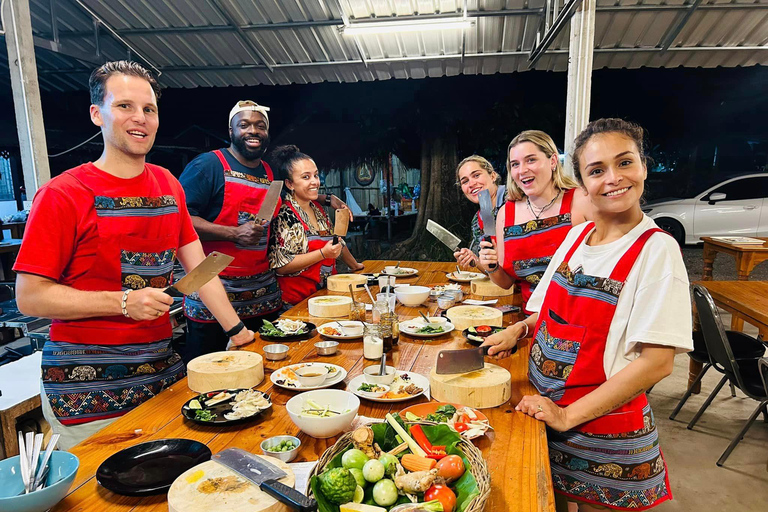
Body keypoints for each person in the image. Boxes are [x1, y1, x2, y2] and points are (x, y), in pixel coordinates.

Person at [13, 61, 254, 449]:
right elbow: (29, 296)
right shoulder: (63, 193)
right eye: (124, 106)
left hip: (162, 375)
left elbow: (201, 270)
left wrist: (237, 331)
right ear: (97, 114)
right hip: (87, 390)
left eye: (149, 109)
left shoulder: (168, 185)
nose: (139, 118)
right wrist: (123, 301)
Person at [482, 118, 693, 511]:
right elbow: (548, 311)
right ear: (581, 183)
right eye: (597, 170)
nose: (613, 178)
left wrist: (566, 417)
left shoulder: (655, 250)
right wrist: (519, 332)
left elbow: (657, 363)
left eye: (625, 163)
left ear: (644, 166)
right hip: (548, 411)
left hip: (602, 434)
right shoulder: (578, 236)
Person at [178, 101, 350, 361]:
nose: (253, 131)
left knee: (266, 373)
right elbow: (180, 220)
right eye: (244, 125)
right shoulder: (208, 166)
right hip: (213, 302)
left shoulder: (270, 173)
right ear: (231, 130)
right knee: (213, 379)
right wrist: (232, 233)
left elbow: (295, 193)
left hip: (264, 300)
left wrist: (326, 199)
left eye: (260, 126)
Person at [478, 130, 590, 313]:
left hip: (578, 316)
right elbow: (506, 282)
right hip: (528, 318)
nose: (522, 170)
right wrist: (490, 267)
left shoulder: (581, 200)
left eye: (531, 160)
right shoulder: (506, 214)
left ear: (553, 161)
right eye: (515, 164)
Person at [268, 145, 364, 306]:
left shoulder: (318, 209)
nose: (315, 182)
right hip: (296, 303)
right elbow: (282, 266)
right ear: (290, 184)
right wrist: (322, 253)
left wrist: (355, 266)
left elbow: (336, 242)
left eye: (316, 175)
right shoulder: (286, 214)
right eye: (306, 177)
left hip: (325, 296)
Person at [452, 155, 506, 268]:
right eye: (465, 181)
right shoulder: (477, 221)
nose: (471, 184)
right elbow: (491, 270)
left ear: (493, 175)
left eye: (476, 175)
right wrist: (474, 259)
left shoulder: (515, 197)